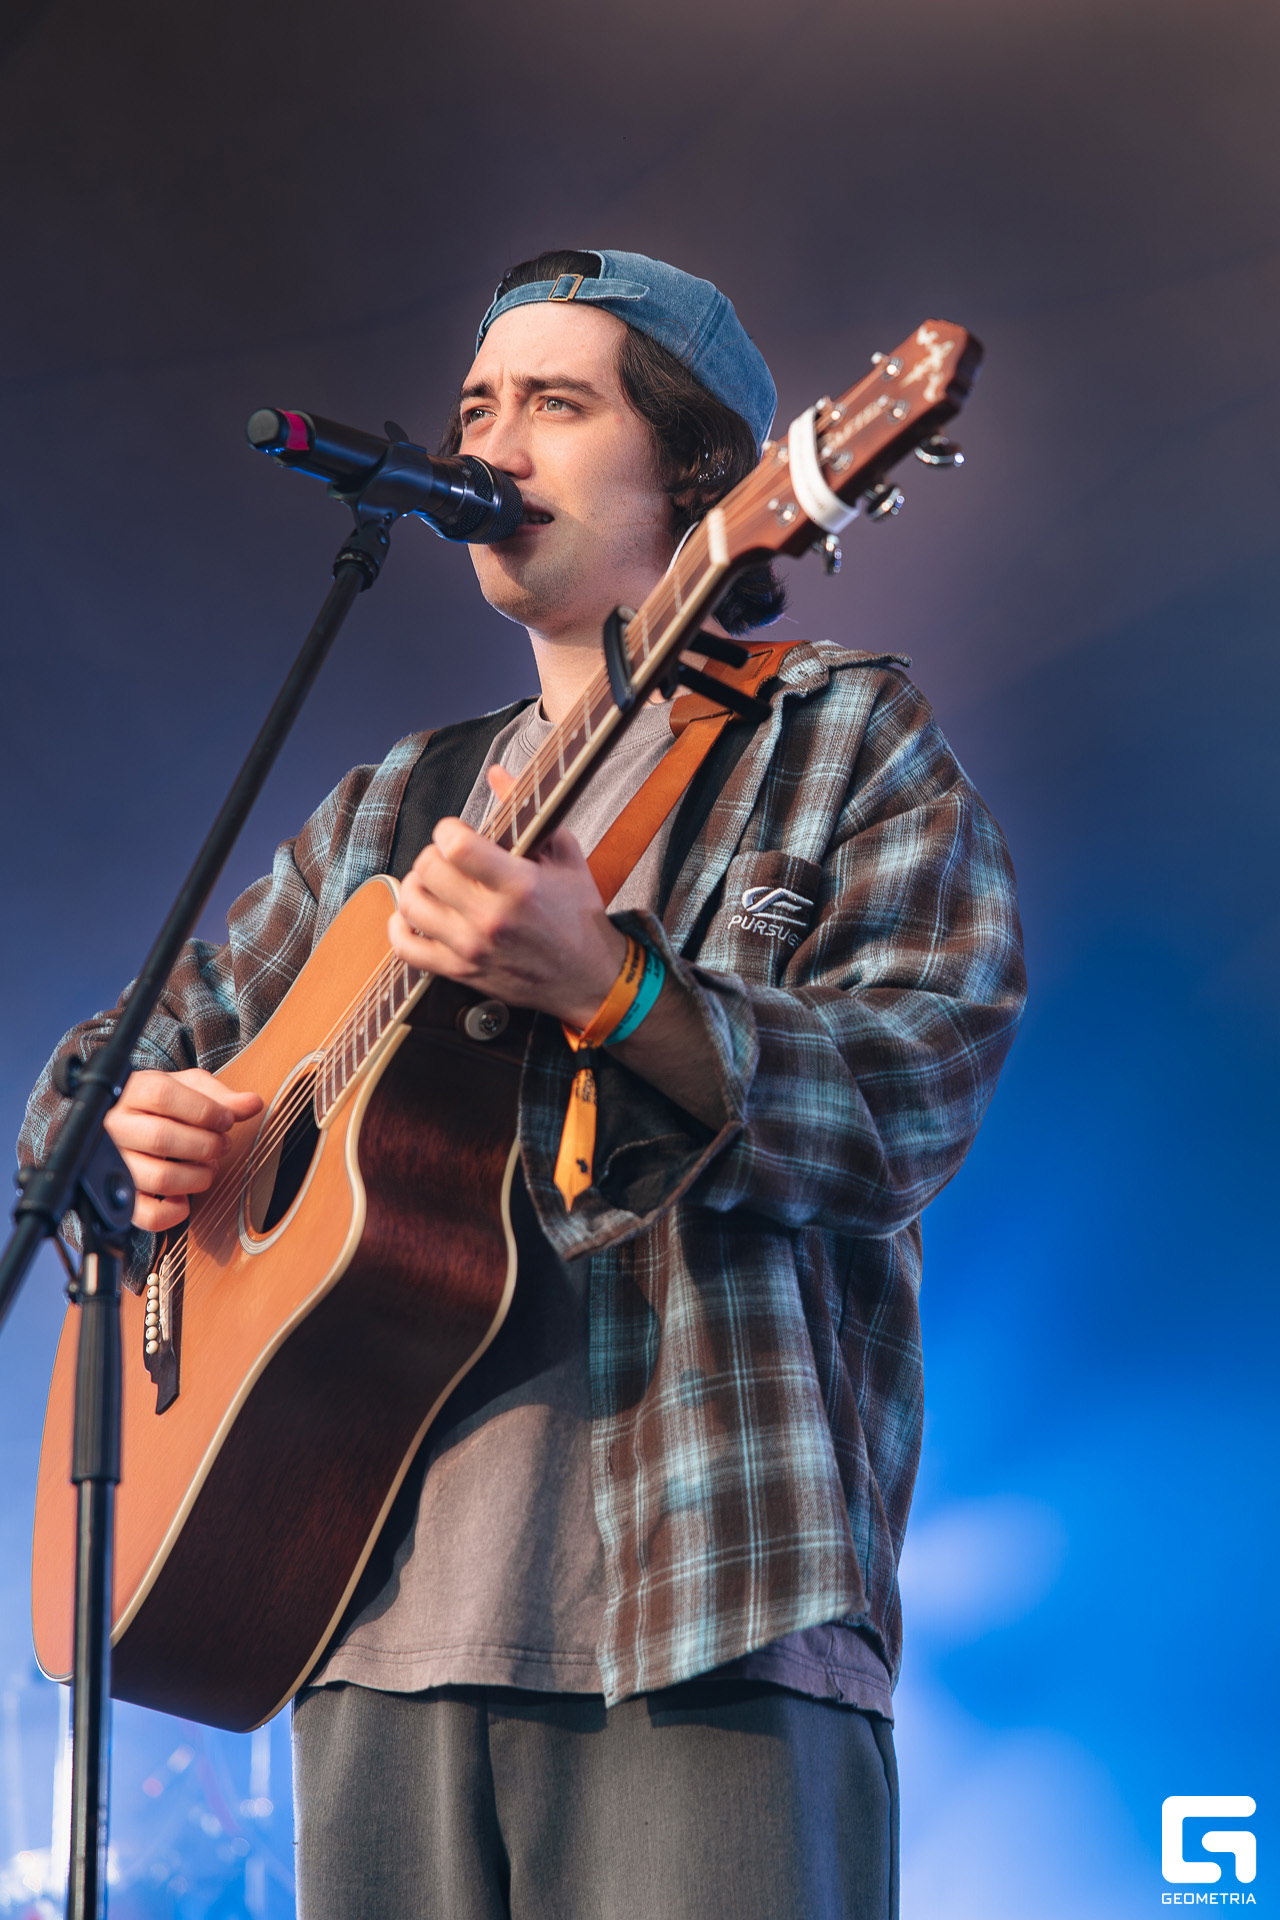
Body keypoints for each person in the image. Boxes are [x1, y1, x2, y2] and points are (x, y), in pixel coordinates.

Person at [18, 248, 1026, 1919]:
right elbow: (103, 1077)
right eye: (477, 406)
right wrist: (136, 1127)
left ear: (701, 472)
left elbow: (908, 1098)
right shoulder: (392, 807)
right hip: (353, 1604)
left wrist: (617, 987)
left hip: (708, 1600)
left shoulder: (841, 739)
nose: (491, 444)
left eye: (557, 404)